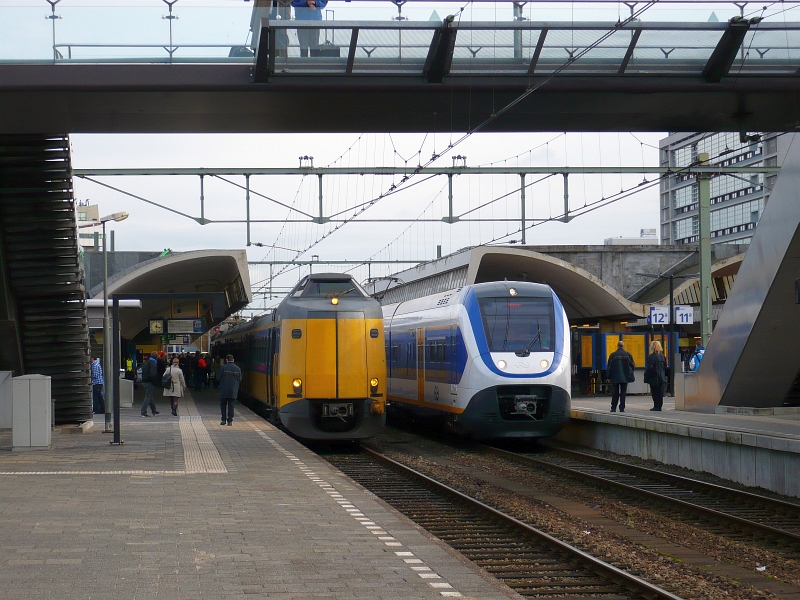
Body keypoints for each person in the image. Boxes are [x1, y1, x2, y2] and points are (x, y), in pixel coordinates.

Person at [607, 340, 635, 413]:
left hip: (615, 376)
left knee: (615, 392)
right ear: (623, 346)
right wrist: (629, 373)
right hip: (625, 377)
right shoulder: (628, 354)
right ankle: (622, 408)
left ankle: (613, 408)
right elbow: (632, 365)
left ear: (617, 346)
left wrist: (608, 377)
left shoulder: (613, 355)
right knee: (623, 392)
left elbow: (609, 367)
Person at [217, 354, 242, 426]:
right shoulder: (238, 369)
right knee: (231, 405)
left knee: (223, 405)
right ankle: (230, 421)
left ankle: (223, 420)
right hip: (233, 390)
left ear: (226, 360)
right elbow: (240, 379)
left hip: (223, 390)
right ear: (233, 360)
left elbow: (218, 377)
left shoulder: (223, 368)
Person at [645, 340, 667, 411]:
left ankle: (656, 406)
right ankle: (659, 406)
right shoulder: (662, 356)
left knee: (655, 392)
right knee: (660, 392)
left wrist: (647, 374)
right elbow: (665, 366)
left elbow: (650, 367)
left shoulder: (652, 356)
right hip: (662, 376)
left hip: (654, 377)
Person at [140, 351, 160, 417]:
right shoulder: (153, 363)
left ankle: (154, 410)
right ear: (156, 356)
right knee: (147, 397)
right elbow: (153, 374)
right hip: (150, 382)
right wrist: (155, 382)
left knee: (150, 397)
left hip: (144, 381)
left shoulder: (146, 362)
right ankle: (143, 412)